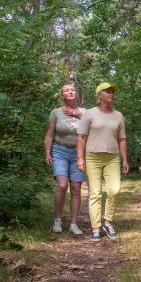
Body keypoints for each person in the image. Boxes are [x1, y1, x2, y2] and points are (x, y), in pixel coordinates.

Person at [76, 82, 129, 242]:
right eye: (108, 92)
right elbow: (81, 137)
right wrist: (80, 158)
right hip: (92, 157)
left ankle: (108, 222)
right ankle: (96, 228)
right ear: (99, 96)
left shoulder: (118, 115)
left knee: (114, 190)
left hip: (112, 157)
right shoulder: (89, 114)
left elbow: (122, 139)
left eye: (113, 92)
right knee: (95, 193)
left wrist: (125, 159)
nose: (112, 94)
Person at [44, 84, 86, 235]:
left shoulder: (85, 112)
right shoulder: (55, 112)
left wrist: (78, 115)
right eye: (67, 90)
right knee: (62, 185)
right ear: (62, 95)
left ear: (77, 94)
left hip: (78, 153)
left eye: (73, 90)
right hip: (59, 151)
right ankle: (57, 220)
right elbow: (49, 134)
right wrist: (47, 152)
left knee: (76, 188)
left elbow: (93, 128)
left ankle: (74, 224)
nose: (70, 92)